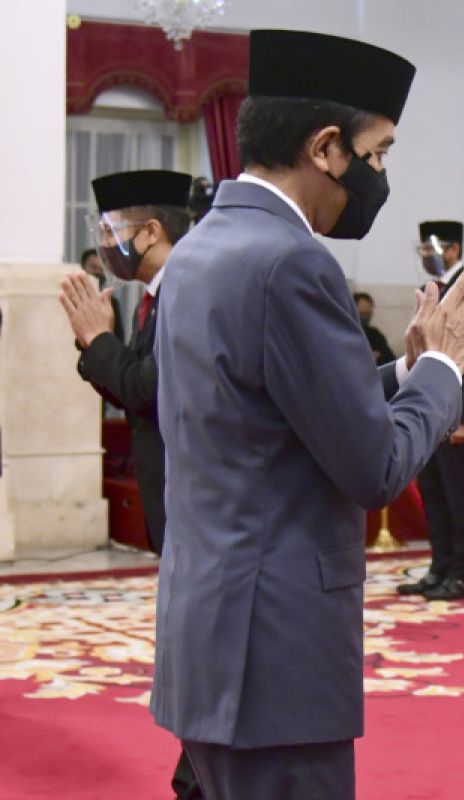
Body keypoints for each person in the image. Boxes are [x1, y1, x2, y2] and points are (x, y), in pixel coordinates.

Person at [149, 29, 464, 799]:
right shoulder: (291, 259)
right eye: (378, 156)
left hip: (210, 634)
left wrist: (405, 368)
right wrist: (443, 371)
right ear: (327, 147)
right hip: (274, 653)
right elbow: (374, 468)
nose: (381, 177)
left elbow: (262, 409)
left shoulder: (204, 247)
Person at [59, 169, 202, 800]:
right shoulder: (155, 294)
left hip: (200, 502)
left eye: (112, 230)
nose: (105, 243)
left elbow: (150, 388)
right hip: (177, 503)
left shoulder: (187, 290)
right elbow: (139, 386)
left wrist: (99, 342)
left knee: (202, 643)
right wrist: (101, 353)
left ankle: (200, 772)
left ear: (149, 231)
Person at [396, 220, 464, 601]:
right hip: (429, 404)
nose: (427, 258)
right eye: (422, 251)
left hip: (456, 410)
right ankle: (439, 566)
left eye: (431, 250)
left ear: (453, 250)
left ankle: (461, 571)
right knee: (433, 490)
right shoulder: (428, 290)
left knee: (458, 493)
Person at [353, 291, 397, 365]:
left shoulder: (374, 334)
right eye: (362, 313)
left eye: (368, 314)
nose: (366, 318)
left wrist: (377, 357)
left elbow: (391, 360)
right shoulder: (342, 333)